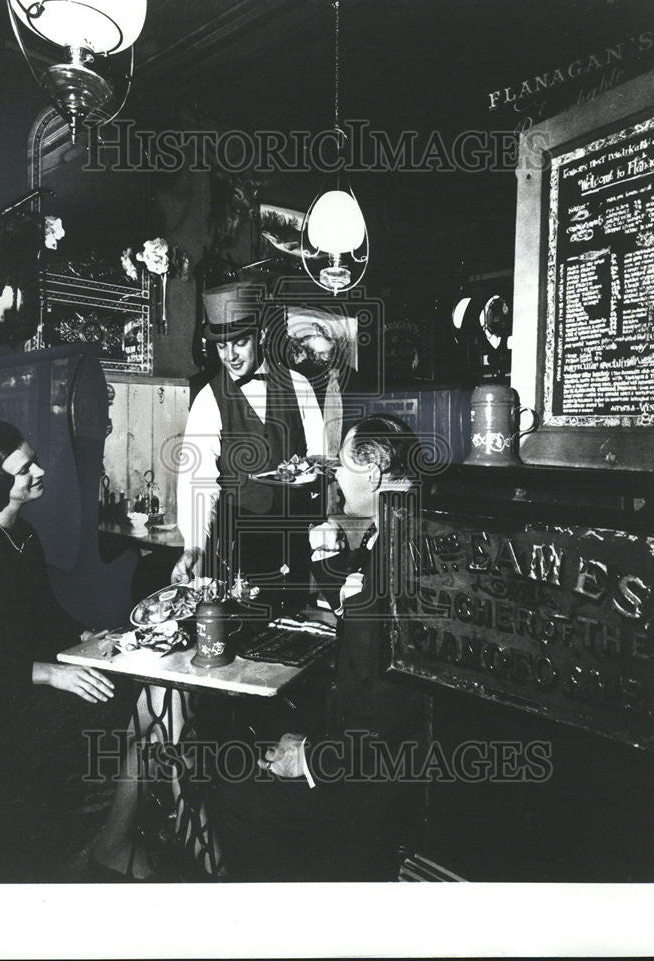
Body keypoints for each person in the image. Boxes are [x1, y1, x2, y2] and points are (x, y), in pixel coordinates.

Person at [209, 413, 426, 881]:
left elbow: (391, 704)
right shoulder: (402, 528)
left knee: (233, 792)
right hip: (377, 751)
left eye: (343, 466)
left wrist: (311, 758)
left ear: (373, 471)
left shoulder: (399, 552)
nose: (336, 478)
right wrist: (327, 562)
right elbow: (362, 610)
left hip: (378, 783)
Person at [0, 420, 148, 880]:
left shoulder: (22, 534)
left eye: (33, 460)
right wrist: (53, 674)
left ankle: (112, 838)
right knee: (145, 712)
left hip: (30, 683)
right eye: (25, 468)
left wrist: (91, 637)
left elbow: (45, 619)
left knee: (153, 699)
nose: (39, 471)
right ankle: (109, 844)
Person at [173, 282, 327, 607]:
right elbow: (196, 481)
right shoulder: (208, 399)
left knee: (292, 624)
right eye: (220, 347)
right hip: (236, 540)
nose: (230, 356)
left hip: (291, 535)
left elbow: (318, 456)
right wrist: (193, 546)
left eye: (239, 343)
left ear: (259, 336)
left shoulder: (298, 386)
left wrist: (313, 478)